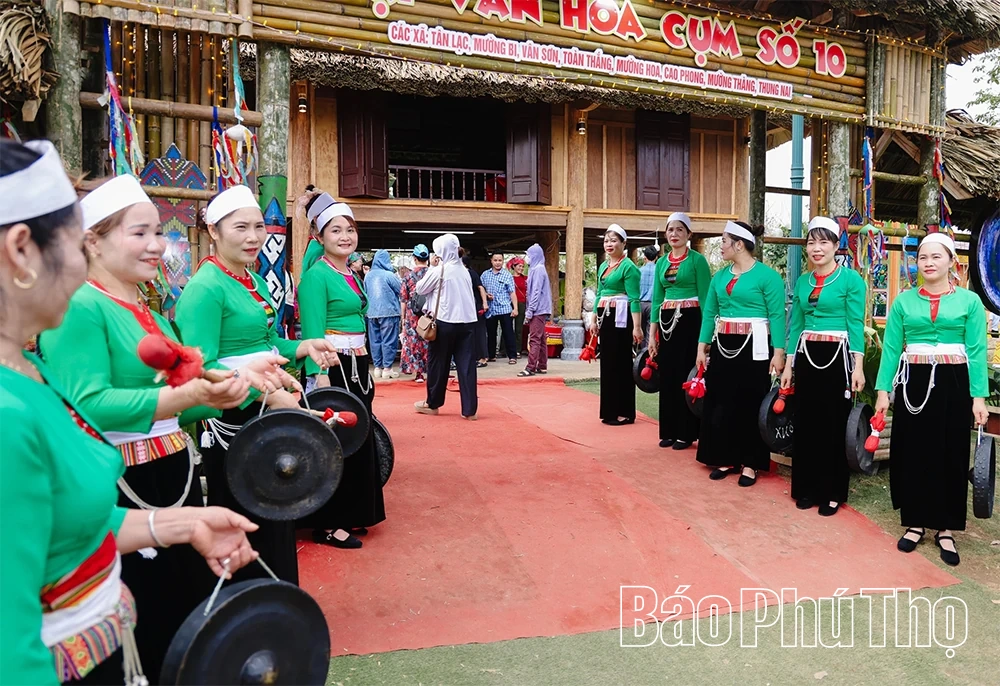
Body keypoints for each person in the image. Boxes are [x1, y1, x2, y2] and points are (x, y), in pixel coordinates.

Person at [0, 139, 260, 686]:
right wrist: (191, 398)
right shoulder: (7, 411)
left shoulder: (25, 370)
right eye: (76, 243)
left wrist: (182, 522)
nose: (81, 266)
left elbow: (65, 524)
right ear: (22, 249)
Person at [174, 185, 339, 584]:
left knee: (277, 514)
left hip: (267, 410)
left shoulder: (253, 280)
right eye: (241, 227)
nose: (253, 237)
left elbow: (267, 344)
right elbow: (199, 367)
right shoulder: (205, 289)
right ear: (213, 230)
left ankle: (278, 603)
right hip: (234, 417)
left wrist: (304, 346)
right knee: (248, 521)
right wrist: (261, 389)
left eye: (259, 227)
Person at [875, 232, 989, 566]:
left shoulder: (969, 302)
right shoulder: (903, 302)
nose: (928, 263)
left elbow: (977, 351)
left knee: (950, 451)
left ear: (951, 261)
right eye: (923, 257)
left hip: (955, 380)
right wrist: (883, 391)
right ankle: (914, 523)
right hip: (915, 380)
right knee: (913, 450)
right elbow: (892, 349)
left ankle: (945, 528)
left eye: (936, 257)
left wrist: (978, 397)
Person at [297, 191, 387, 550]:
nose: (345, 236)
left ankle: (352, 512)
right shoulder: (316, 277)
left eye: (349, 229)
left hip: (357, 364)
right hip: (332, 368)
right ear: (320, 237)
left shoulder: (349, 271)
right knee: (336, 444)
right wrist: (318, 378)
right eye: (335, 231)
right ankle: (328, 523)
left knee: (358, 440)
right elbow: (313, 332)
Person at [779, 216, 867, 516]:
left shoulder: (851, 280)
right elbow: (797, 325)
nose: (817, 248)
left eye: (824, 242)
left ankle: (832, 492)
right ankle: (805, 487)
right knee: (806, 421)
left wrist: (858, 366)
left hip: (837, 356)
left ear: (835, 245)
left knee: (833, 423)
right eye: (811, 242)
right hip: (806, 354)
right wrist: (789, 365)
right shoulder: (803, 281)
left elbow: (856, 323)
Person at [695, 221, 785, 486]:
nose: (720, 246)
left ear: (739, 244)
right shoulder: (719, 277)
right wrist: (701, 347)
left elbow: (778, 316)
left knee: (750, 401)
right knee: (721, 400)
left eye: (723, 241)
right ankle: (725, 456)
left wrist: (779, 353)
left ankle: (751, 463)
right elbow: (710, 313)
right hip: (723, 344)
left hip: (755, 346)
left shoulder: (768, 277)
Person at [647, 212, 711, 450]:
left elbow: (706, 299)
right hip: (666, 323)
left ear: (689, 235)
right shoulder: (661, 263)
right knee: (669, 375)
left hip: (691, 319)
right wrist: (652, 335)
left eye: (679, 230)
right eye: (670, 230)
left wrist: (707, 337)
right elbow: (656, 299)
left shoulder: (697, 261)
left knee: (687, 373)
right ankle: (669, 430)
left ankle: (687, 432)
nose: (674, 234)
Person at [414, 234, 480, 419]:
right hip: (467, 322)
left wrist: (433, 267)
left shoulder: (440, 270)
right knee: (467, 367)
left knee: (438, 364)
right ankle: (469, 410)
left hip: (444, 322)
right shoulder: (464, 270)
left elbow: (420, 289)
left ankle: (433, 403)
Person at [589, 224, 643, 425]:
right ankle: (609, 410)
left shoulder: (629, 267)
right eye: (606, 240)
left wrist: (637, 327)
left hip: (621, 316)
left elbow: (634, 298)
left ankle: (625, 411)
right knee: (608, 362)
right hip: (606, 315)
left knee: (621, 362)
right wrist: (594, 318)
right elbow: (600, 293)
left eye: (613, 240)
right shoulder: (603, 266)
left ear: (623, 243)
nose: (609, 244)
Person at [365, 249, 402, 379]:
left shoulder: (368, 275)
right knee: (389, 340)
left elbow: (365, 292)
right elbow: (401, 290)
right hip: (389, 312)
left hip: (371, 313)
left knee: (375, 340)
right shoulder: (389, 275)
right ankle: (387, 368)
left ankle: (377, 367)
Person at [518, 243, 552, 377]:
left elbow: (536, 292)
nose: (527, 258)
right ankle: (542, 365)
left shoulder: (538, 270)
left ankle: (530, 367)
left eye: (528, 255)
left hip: (538, 309)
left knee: (534, 339)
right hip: (540, 309)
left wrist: (529, 311)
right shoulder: (537, 269)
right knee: (541, 338)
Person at [400, 244, 431, 382]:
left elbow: (403, 299)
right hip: (430, 313)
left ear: (414, 258)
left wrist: (402, 318)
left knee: (414, 342)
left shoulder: (408, 276)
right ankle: (432, 370)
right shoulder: (433, 273)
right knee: (430, 340)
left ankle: (418, 373)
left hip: (413, 314)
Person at [482, 252, 519, 365]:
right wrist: (487, 296)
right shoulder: (485, 275)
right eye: (495, 260)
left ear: (503, 261)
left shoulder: (507, 275)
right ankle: (491, 355)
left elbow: (512, 293)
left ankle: (512, 356)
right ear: (491, 261)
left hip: (505, 308)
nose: (497, 263)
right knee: (491, 333)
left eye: (500, 260)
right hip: (491, 309)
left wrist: (515, 308)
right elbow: (481, 289)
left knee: (508, 333)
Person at [461, 249, 490, 367]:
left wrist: (484, 303)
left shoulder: (471, 274)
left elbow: (480, 288)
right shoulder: (461, 274)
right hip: (466, 308)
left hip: (476, 307)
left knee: (479, 332)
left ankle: (483, 358)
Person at [639, 244, 659, 341]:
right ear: (656, 257)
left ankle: (638, 353)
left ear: (645, 258)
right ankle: (647, 354)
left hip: (639, 304)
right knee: (649, 333)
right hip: (653, 305)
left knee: (639, 331)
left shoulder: (639, 271)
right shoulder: (659, 271)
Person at [509, 256, 528, 354]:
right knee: (508, 326)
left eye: (522, 266)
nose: (521, 268)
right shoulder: (509, 278)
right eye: (519, 266)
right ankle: (505, 349)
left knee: (519, 327)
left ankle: (518, 349)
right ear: (514, 267)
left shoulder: (526, 278)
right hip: (510, 303)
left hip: (522, 304)